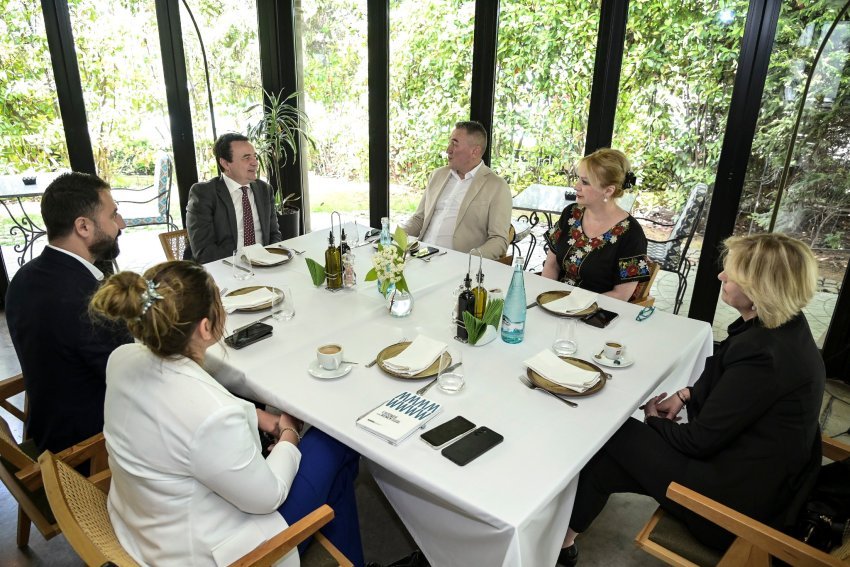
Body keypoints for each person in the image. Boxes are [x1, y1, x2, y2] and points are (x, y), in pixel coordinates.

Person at [557, 233, 826, 566]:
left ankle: (548, 522)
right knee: (608, 460)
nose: (721, 276)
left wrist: (653, 421)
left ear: (760, 290)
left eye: (732, 275)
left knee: (611, 429)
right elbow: (740, 390)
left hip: (731, 508)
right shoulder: (783, 328)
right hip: (756, 476)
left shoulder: (764, 355)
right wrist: (686, 394)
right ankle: (563, 543)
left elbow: (698, 441)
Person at [89, 261, 364, 566]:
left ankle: (348, 554)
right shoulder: (212, 415)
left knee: (335, 479)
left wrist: (260, 418)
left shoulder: (122, 358)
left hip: (144, 523)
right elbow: (269, 496)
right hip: (205, 552)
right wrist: (290, 434)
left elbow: (185, 411)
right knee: (337, 438)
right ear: (206, 327)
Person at [6, 172, 132, 453]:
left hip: (49, 426)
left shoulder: (24, 278)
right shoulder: (89, 300)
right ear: (83, 226)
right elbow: (134, 377)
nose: (121, 224)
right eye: (113, 215)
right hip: (91, 448)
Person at [542, 148, 650, 301]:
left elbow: (621, 295)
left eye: (585, 182)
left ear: (608, 191)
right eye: (578, 179)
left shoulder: (632, 234)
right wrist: (547, 298)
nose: (576, 186)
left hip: (596, 310)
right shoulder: (571, 213)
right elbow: (551, 266)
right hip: (555, 302)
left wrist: (572, 305)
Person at [402, 121, 511, 260]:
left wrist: (467, 260)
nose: (448, 149)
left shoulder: (496, 186)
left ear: (475, 151)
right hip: (421, 255)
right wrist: (392, 237)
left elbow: (499, 240)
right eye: (450, 143)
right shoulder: (437, 175)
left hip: (458, 263)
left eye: (455, 144)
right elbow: (419, 219)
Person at [186, 133, 282, 263]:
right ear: (226, 163)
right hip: (225, 266)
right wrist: (244, 262)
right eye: (246, 158)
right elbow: (204, 252)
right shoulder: (204, 193)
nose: (255, 162)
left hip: (264, 264)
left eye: (255, 156)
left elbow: (274, 234)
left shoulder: (264, 189)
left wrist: (269, 259)